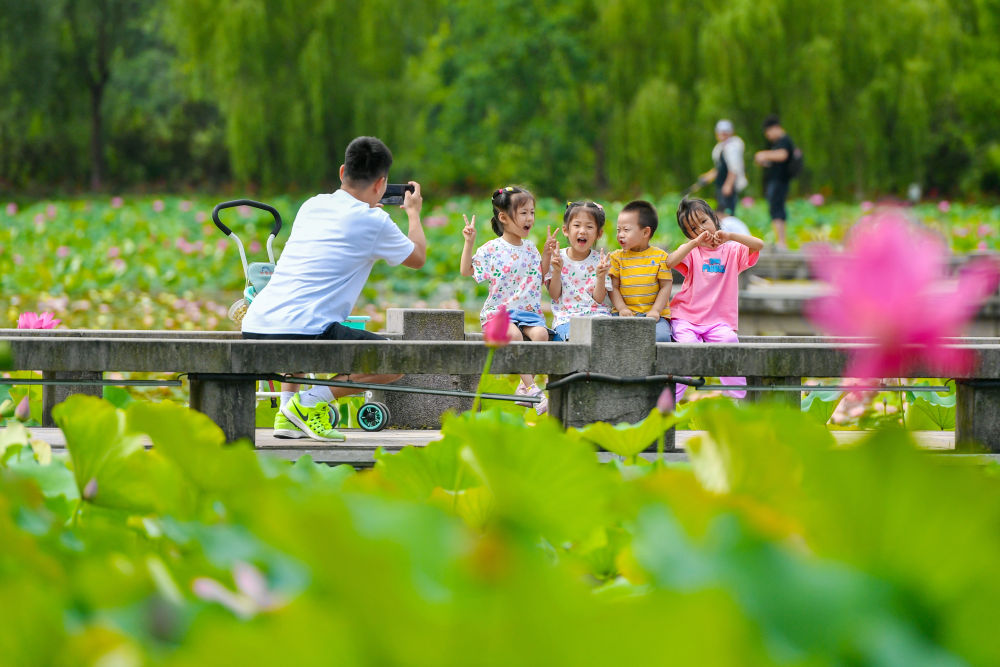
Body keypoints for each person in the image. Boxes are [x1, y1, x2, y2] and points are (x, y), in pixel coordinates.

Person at [241, 136, 427, 441]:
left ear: (343, 172)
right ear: (381, 184)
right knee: (396, 361)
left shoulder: (312, 205)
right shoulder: (375, 220)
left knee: (302, 317)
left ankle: (287, 414)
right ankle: (310, 402)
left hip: (256, 324)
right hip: (300, 331)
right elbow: (417, 257)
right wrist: (413, 213)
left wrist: (369, 209)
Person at [460, 186, 550, 414]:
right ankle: (532, 389)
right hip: (499, 315)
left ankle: (523, 386)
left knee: (541, 335)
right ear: (503, 217)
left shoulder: (531, 248)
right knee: (515, 334)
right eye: (523, 213)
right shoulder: (492, 249)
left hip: (527, 313)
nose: (530, 218)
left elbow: (538, 278)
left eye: (532, 213)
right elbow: (466, 270)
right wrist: (469, 242)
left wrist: (547, 255)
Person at [667, 197, 764, 400]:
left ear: (714, 218)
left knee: (729, 342)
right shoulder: (692, 252)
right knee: (687, 350)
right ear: (688, 235)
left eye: (703, 221)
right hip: (686, 318)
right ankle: (671, 402)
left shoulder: (732, 251)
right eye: (693, 229)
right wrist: (694, 243)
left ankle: (736, 400)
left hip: (719, 322)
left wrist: (730, 235)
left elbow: (758, 244)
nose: (701, 229)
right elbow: (670, 261)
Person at [545, 200, 612, 342]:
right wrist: (556, 271)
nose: (582, 231)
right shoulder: (557, 257)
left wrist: (600, 277)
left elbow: (599, 299)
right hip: (567, 318)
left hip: (597, 316)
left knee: (606, 339)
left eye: (589, 226)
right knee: (575, 339)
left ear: (599, 233)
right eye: (576, 225)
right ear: (566, 230)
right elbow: (554, 294)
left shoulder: (600, 261)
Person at [608, 200, 673, 342]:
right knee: (611, 337)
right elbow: (613, 287)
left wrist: (656, 311)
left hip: (655, 316)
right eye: (618, 230)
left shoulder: (660, 257)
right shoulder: (616, 258)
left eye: (626, 230)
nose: (620, 234)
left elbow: (665, 286)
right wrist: (622, 309)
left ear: (645, 232)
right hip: (624, 314)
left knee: (662, 338)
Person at [754, 115, 794, 249]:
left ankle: (781, 242)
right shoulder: (778, 143)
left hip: (780, 181)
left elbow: (783, 155)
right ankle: (780, 241)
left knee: (777, 209)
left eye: (768, 132)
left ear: (775, 128)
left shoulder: (784, 140)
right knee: (775, 209)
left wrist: (763, 154)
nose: (768, 136)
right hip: (776, 180)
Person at [696, 119, 748, 216]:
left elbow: (734, 168)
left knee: (726, 212)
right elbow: (719, 168)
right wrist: (707, 177)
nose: (723, 134)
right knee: (720, 210)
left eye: (725, 132)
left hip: (728, 186)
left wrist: (728, 185)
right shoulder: (720, 148)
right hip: (720, 185)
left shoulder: (733, 147)